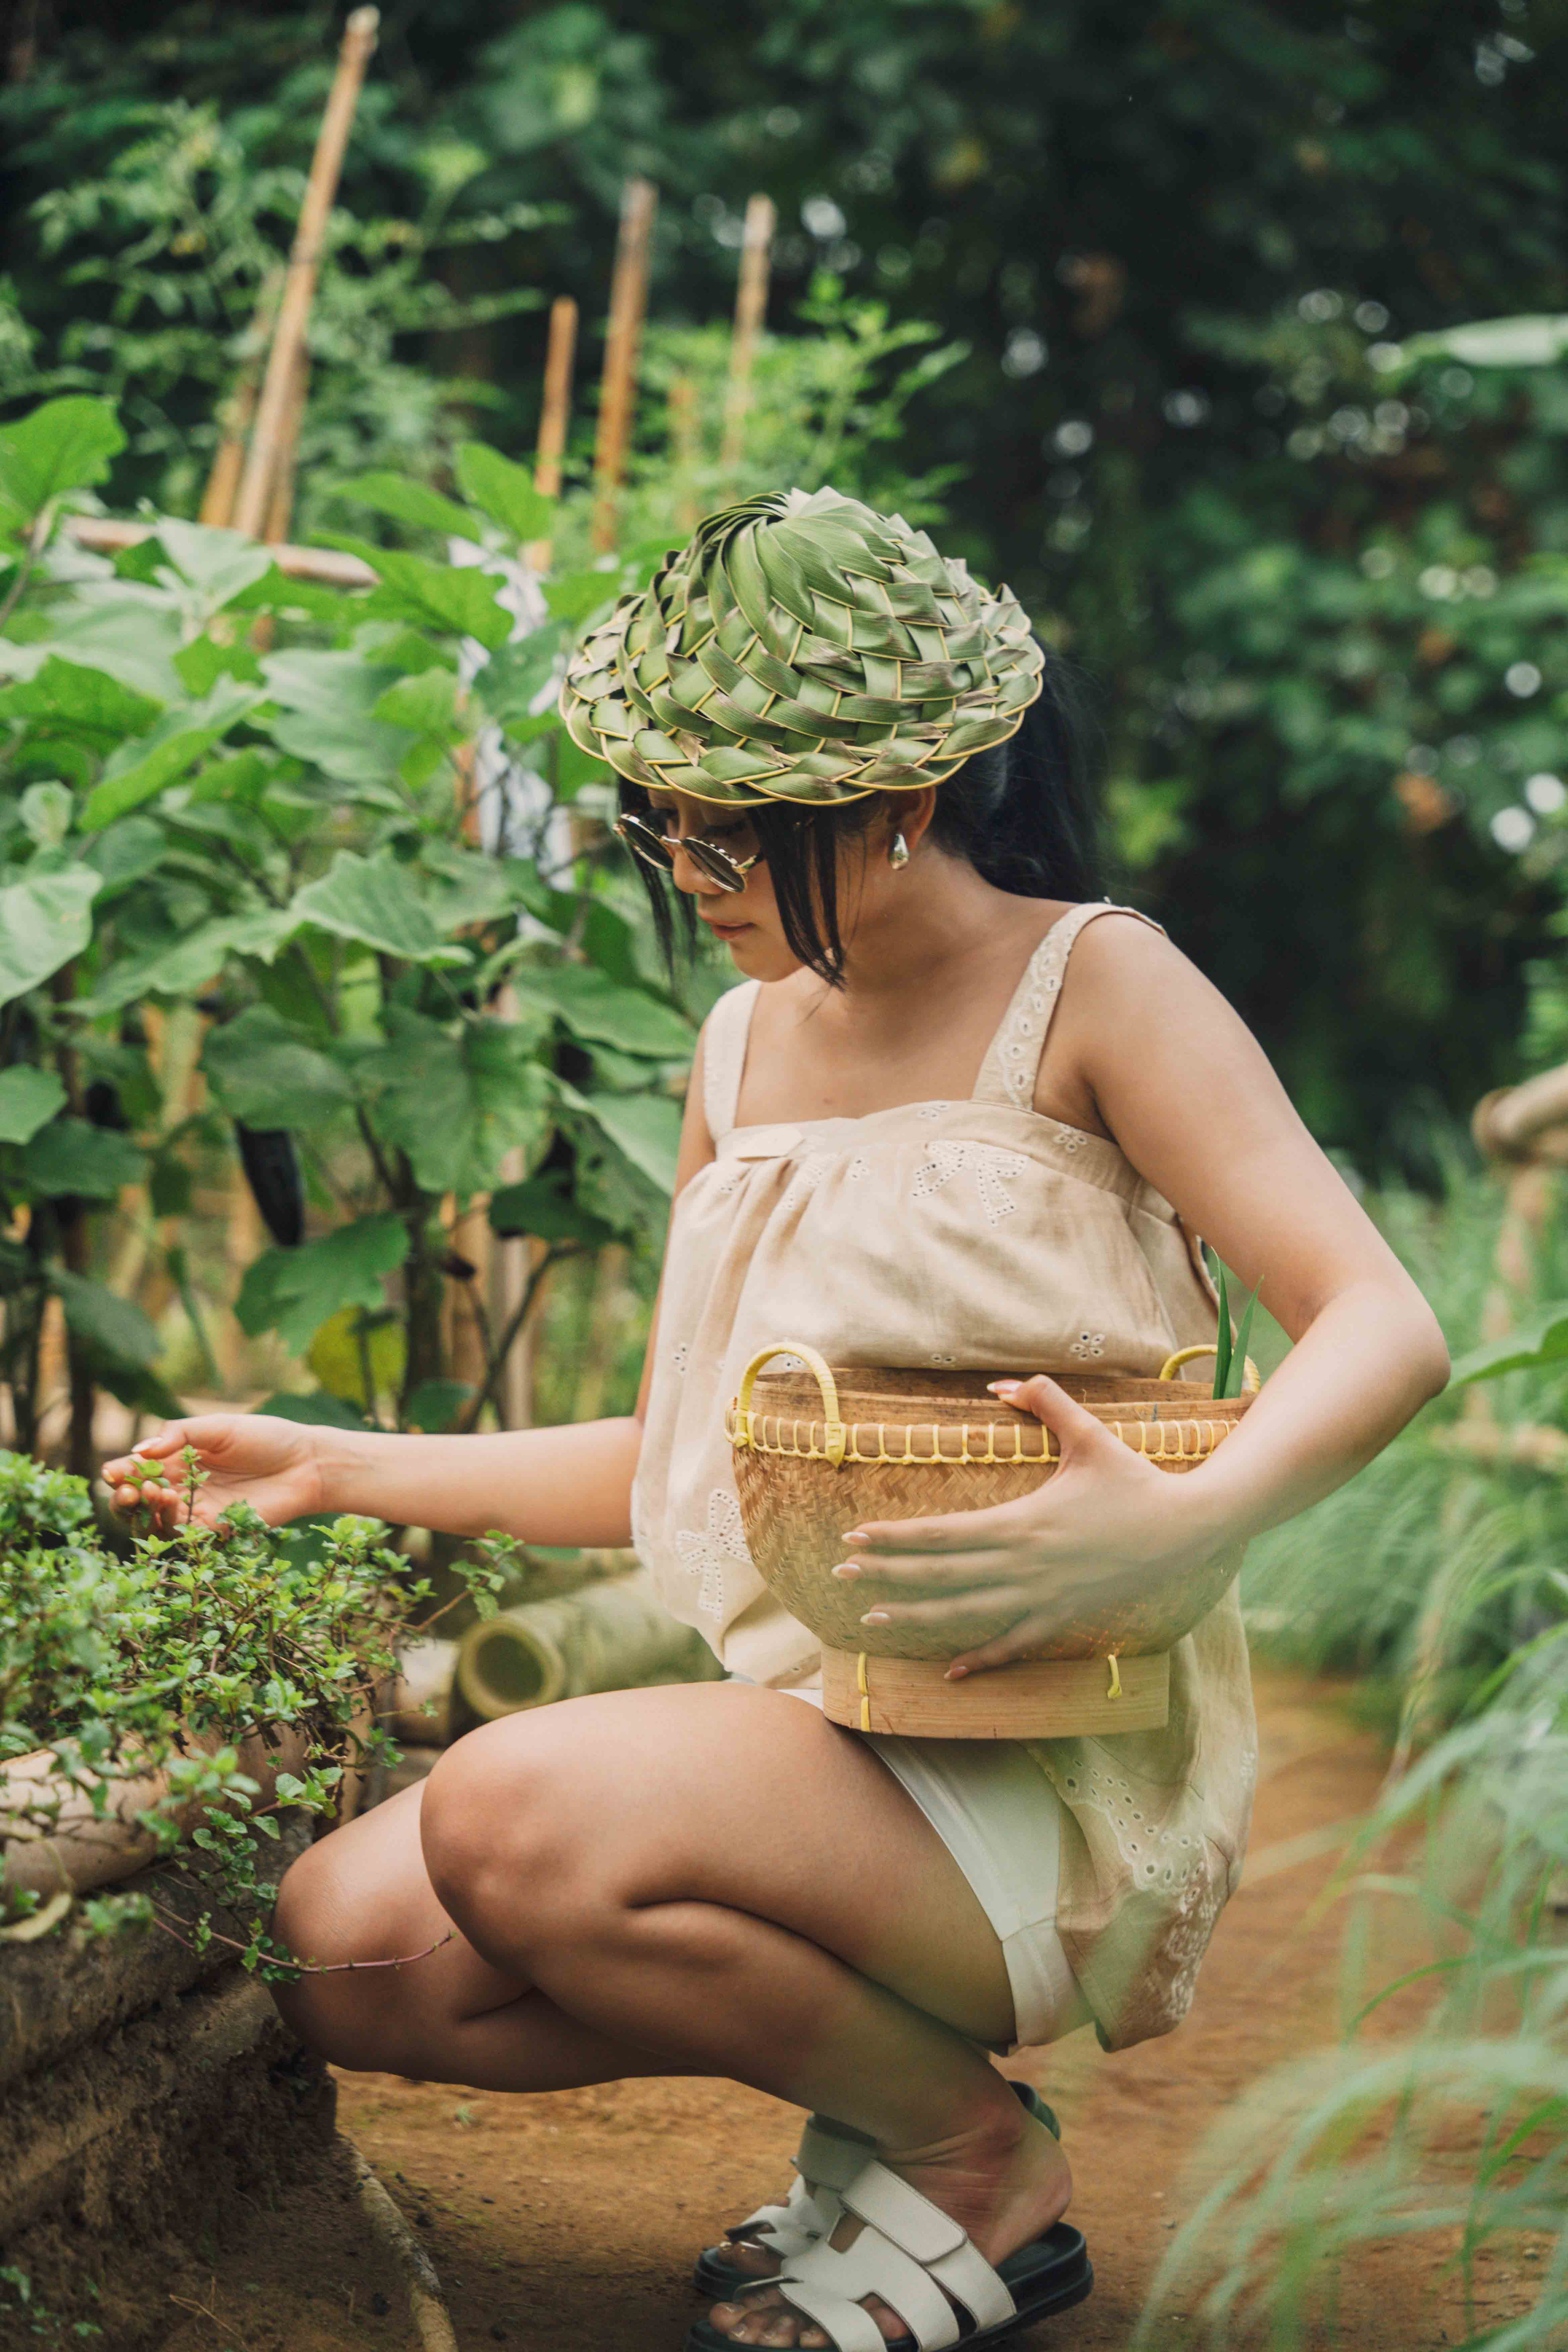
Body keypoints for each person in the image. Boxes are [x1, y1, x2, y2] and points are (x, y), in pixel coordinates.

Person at [106, 489, 1448, 2352]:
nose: (692, 864)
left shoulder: (1096, 983)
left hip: (1039, 1757)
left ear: (898, 796)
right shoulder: (738, 1047)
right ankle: (901, 2124)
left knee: (508, 1805)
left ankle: (973, 2159)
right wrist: (330, 1466)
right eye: (662, 820)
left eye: (735, 826)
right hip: (822, 1750)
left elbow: (1385, 1322)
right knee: (351, 1953)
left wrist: (1182, 1522)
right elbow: (680, 1453)